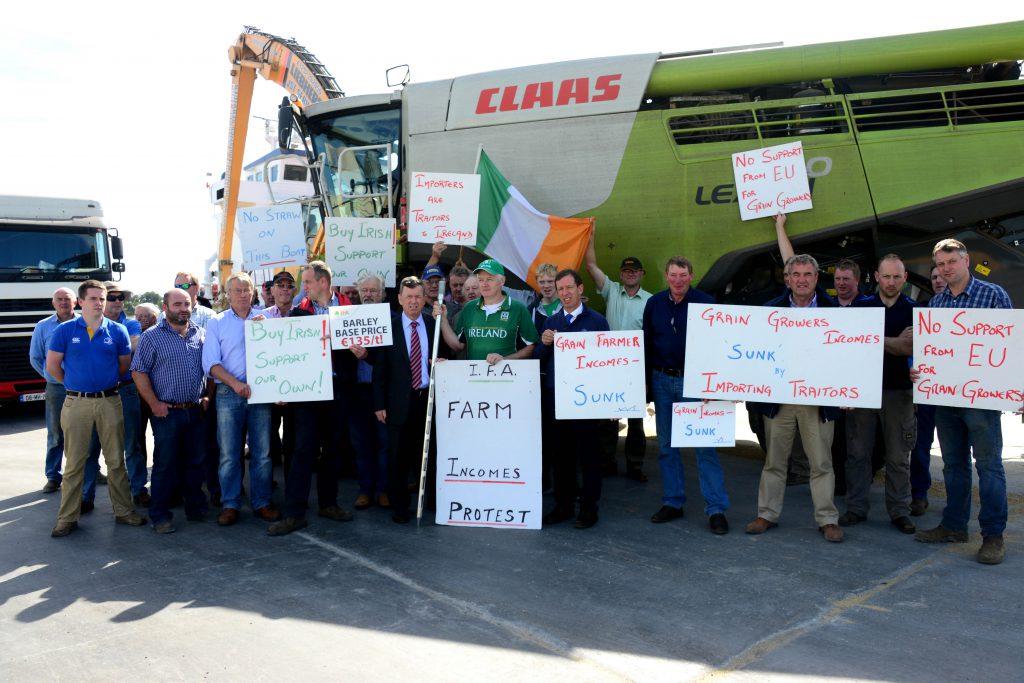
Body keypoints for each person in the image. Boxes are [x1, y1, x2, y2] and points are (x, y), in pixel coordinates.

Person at [914, 239, 1012, 565]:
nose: (945, 269)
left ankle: (993, 536)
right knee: (954, 465)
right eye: (940, 264)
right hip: (945, 399)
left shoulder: (994, 295)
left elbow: (1011, 346)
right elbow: (931, 353)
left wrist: (1015, 387)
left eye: (951, 262)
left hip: (981, 401)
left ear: (966, 261)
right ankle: (955, 526)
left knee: (989, 466)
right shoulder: (936, 304)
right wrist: (920, 371)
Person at [746, 254, 844, 543]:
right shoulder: (769, 311)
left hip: (819, 401)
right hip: (780, 400)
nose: (802, 280)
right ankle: (766, 514)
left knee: (821, 463)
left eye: (808, 274)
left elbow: (848, 355)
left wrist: (849, 388)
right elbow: (755, 355)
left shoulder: (836, 311)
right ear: (787, 279)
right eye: (796, 274)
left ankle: (827, 519)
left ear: (816, 278)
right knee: (775, 461)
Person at [47, 280, 145, 537]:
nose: (99, 303)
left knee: (116, 461)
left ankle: (124, 511)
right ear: (80, 302)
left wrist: (101, 383)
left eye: (102, 298)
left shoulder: (118, 331)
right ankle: (67, 518)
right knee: (74, 463)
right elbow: (52, 366)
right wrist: (74, 384)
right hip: (76, 403)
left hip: (110, 401)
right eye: (93, 298)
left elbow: (123, 366)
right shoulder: (65, 330)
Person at [643, 257, 731, 534]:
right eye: (673, 275)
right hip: (661, 380)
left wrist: (714, 385)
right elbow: (646, 344)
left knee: (704, 447)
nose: (678, 280)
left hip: (694, 383)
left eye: (683, 275)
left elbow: (719, 345)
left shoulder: (706, 303)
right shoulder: (654, 304)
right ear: (666, 276)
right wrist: (644, 383)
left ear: (691, 276)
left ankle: (716, 509)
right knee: (666, 446)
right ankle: (673, 501)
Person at [268, 261, 356, 536]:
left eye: (306, 282)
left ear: (323, 282)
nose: (302, 287)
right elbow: (285, 352)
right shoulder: (298, 313)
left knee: (333, 449)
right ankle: (294, 513)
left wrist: (363, 352)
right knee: (302, 450)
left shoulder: (350, 312)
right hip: (307, 392)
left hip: (338, 389)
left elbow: (367, 351)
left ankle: (328, 503)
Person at [841, 255, 916, 534]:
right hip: (862, 391)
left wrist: (871, 339)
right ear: (876, 277)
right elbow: (848, 347)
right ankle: (856, 508)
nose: (891, 282)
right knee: (858, 454)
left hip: (900, 393)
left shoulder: (915, 311)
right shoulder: (860, 308)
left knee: (898, 456)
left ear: (905, 278)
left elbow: (910, 348)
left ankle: (899, 511)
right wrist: (894, 342)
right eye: (886, 276)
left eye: (897, 277)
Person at [202, 272, 281, 526]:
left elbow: (282, 355)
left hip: (261, 393)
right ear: (228, 294)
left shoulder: (267, 318)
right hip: (228, 393)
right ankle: (230, 504)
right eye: (238, 290)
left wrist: (268, 330)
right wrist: (235, 384)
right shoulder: (217, 322)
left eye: (247, 289)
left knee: (262, 453)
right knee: (229, 453)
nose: (244, 294)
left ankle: (262, 502)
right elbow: (211, 364)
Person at [535, 269, 609, 528]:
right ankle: (563, 505)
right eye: (561, 289)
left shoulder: (597, 321)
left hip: (586, 401)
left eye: (569, 288)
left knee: (588, 455)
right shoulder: (551, 322)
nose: (565, 293)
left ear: (580, 289)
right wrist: (545, 344)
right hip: (557, 398)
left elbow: (608, 363)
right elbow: (539, 360)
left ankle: (589, 507)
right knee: (561, 455)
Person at [131, 288, 209, 534]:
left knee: (196, 462)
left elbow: (209, 368)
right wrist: (154, 403)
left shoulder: (200, 333)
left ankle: (195, 507)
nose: (183, 309)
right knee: (165, 465)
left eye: (186, 304)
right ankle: (160, 515)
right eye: (177, 304)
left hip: (195, 410)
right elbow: (138, 372)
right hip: (167, 413)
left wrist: (207, 395)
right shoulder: (151, 337)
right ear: (165, 308)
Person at [372, 276, 445, 524]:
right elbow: (380, 370)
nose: (414, 301)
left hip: (427, 400)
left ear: (424, 299)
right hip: (397, 403)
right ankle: (400, 506)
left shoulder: (432, 324)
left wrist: (440, 363)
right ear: (400, 299)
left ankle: (432, 502)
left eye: (418, 297)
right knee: (398, 457)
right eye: (409, 297)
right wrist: (379, 404)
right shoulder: (389, 327)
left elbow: (443, 354)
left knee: (427, 454)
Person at [585, 231, 653, 481]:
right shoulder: (611, 291)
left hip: (635, 369)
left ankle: (635, 466)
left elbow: (652, 341)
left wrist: (646, 377)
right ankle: (607, 463)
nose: (630, 274)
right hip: (609, 367)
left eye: (634, 271)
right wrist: (589, 237)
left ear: (642, 274)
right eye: (626, 271)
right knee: (607, 420)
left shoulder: (651, 301)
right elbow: (591, 266)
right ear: (621, 275)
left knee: (635, 421)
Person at [83, 281, 148, 508]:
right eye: (112, 297)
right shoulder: (83, 325)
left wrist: (101, 353)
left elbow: (133, 347)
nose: (118, 301)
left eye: (121, 297)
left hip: (126, 390)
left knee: (132, 444)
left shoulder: (131, 324)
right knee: (91, 447)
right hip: (94, 393)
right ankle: (86, 495)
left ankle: (138, 489)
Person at [436, 259, 538, 364]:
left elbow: (532, 347)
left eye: (489, 279)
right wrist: (443, 319)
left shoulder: (518, 308)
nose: (484, 284)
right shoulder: (469, 308)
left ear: (502, 281)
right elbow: (458, 345)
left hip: (506, 373)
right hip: (474, 373)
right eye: (480, 280)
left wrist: (504, 359)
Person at [29, 287, 78, 493]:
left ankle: (91, 471)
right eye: (59, 299)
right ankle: (53, 476)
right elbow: (36, 357)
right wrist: (53, 377)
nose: (63, 302)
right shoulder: (43, 326)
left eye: (67, 299)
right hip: (56, 389)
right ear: (53, 303)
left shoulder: (85, 323)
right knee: (56, 433)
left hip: (82, 388)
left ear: (76, 302)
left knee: (86, 432)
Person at [910, 264, 947, 516]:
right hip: (928, 390)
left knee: (956, 451)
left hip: (957, 393)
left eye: (942, 276)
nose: (938, 280)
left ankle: (956, 501)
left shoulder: (968, 314)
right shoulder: (920, 312)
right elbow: (911, 349)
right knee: (921, 444)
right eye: (934, 277)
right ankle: (919, 495)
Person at [351, 273, 390, 510]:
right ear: (358, 293)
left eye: (374, 290)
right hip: (357, 392)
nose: (368, 294)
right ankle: (365, 490)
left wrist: (368, 355)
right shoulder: (347, 319)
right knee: (361, 444)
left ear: (382, 294)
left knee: (384, 443)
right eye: (364, 290)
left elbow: (390, 360)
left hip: (383, 393)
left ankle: (384, 490)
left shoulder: (392, 320)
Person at [262, 270, 298, 473]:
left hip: (298, 388)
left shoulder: (304, 315)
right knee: (267, 440)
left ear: (295, 291)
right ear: (272, 290)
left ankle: (292, 484)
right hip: (269, 388)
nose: (285, 289)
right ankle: (267, 482)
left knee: (293, 440)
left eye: (289, 286)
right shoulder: (260, 318)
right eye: (280, 285)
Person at [528, 263, 562, 332]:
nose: (546, 286)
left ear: (557, 282)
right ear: (537, 283)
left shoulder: (570, 307)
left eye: (550, 281)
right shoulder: (530, 310)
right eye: (542, 282)